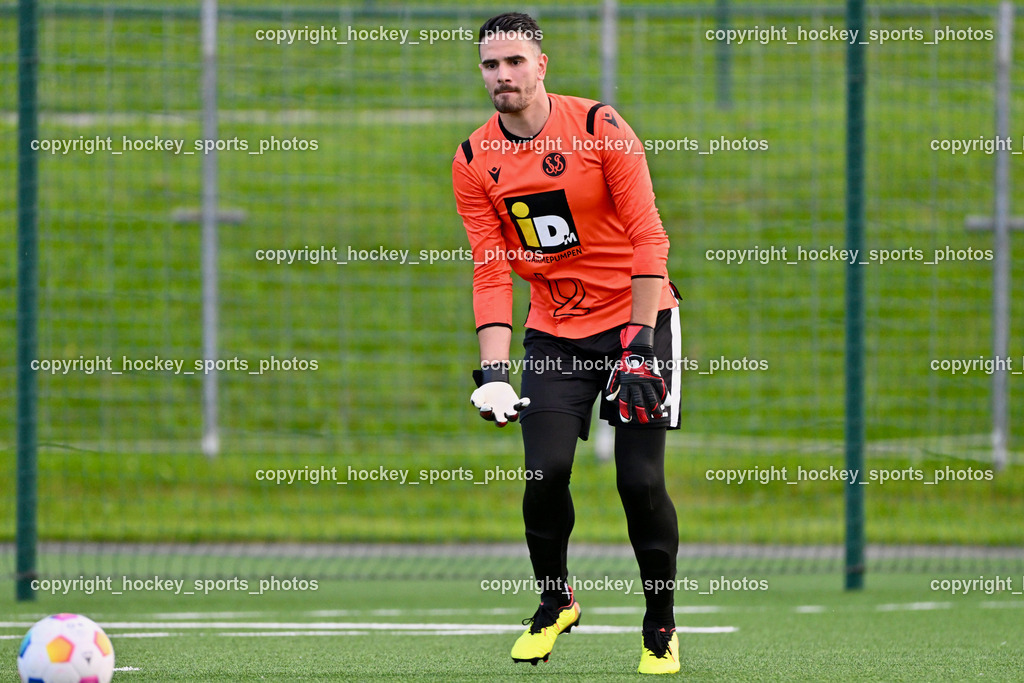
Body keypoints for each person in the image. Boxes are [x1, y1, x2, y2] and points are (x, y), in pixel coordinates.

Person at [451, 11, 681, 675]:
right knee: (544, 472)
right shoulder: (473, 159)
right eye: (490, 65)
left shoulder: (599, 127)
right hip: (556, 331)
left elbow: (650, 238)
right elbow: (491, 269)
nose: (502, 75)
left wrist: (639, 344)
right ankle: (556, 602)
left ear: (541, 65)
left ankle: (660, 624)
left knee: (639, 481)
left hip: (640, 320)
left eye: (514, 62)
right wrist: (494, 372)